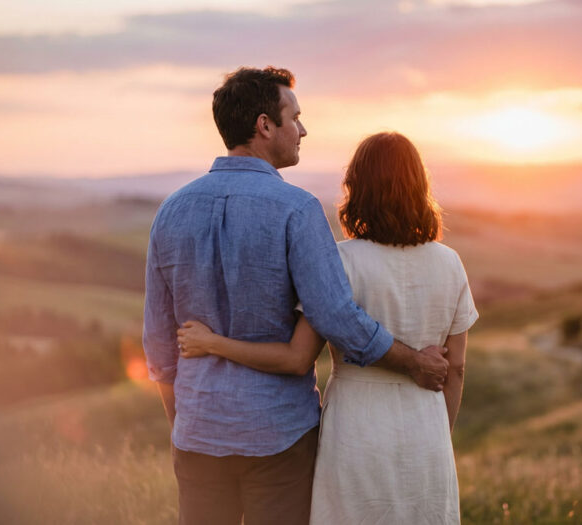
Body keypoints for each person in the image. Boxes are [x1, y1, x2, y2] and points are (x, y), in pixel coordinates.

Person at [141, 67, 450, 525]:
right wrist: (415, 362)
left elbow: (159, 343)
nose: (302, 129)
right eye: (295, 117)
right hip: (279, 438)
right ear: (265, 125)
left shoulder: (171, 211)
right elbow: (337, 316)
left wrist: (182, 426)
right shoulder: (297, 209)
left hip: (198, 436)